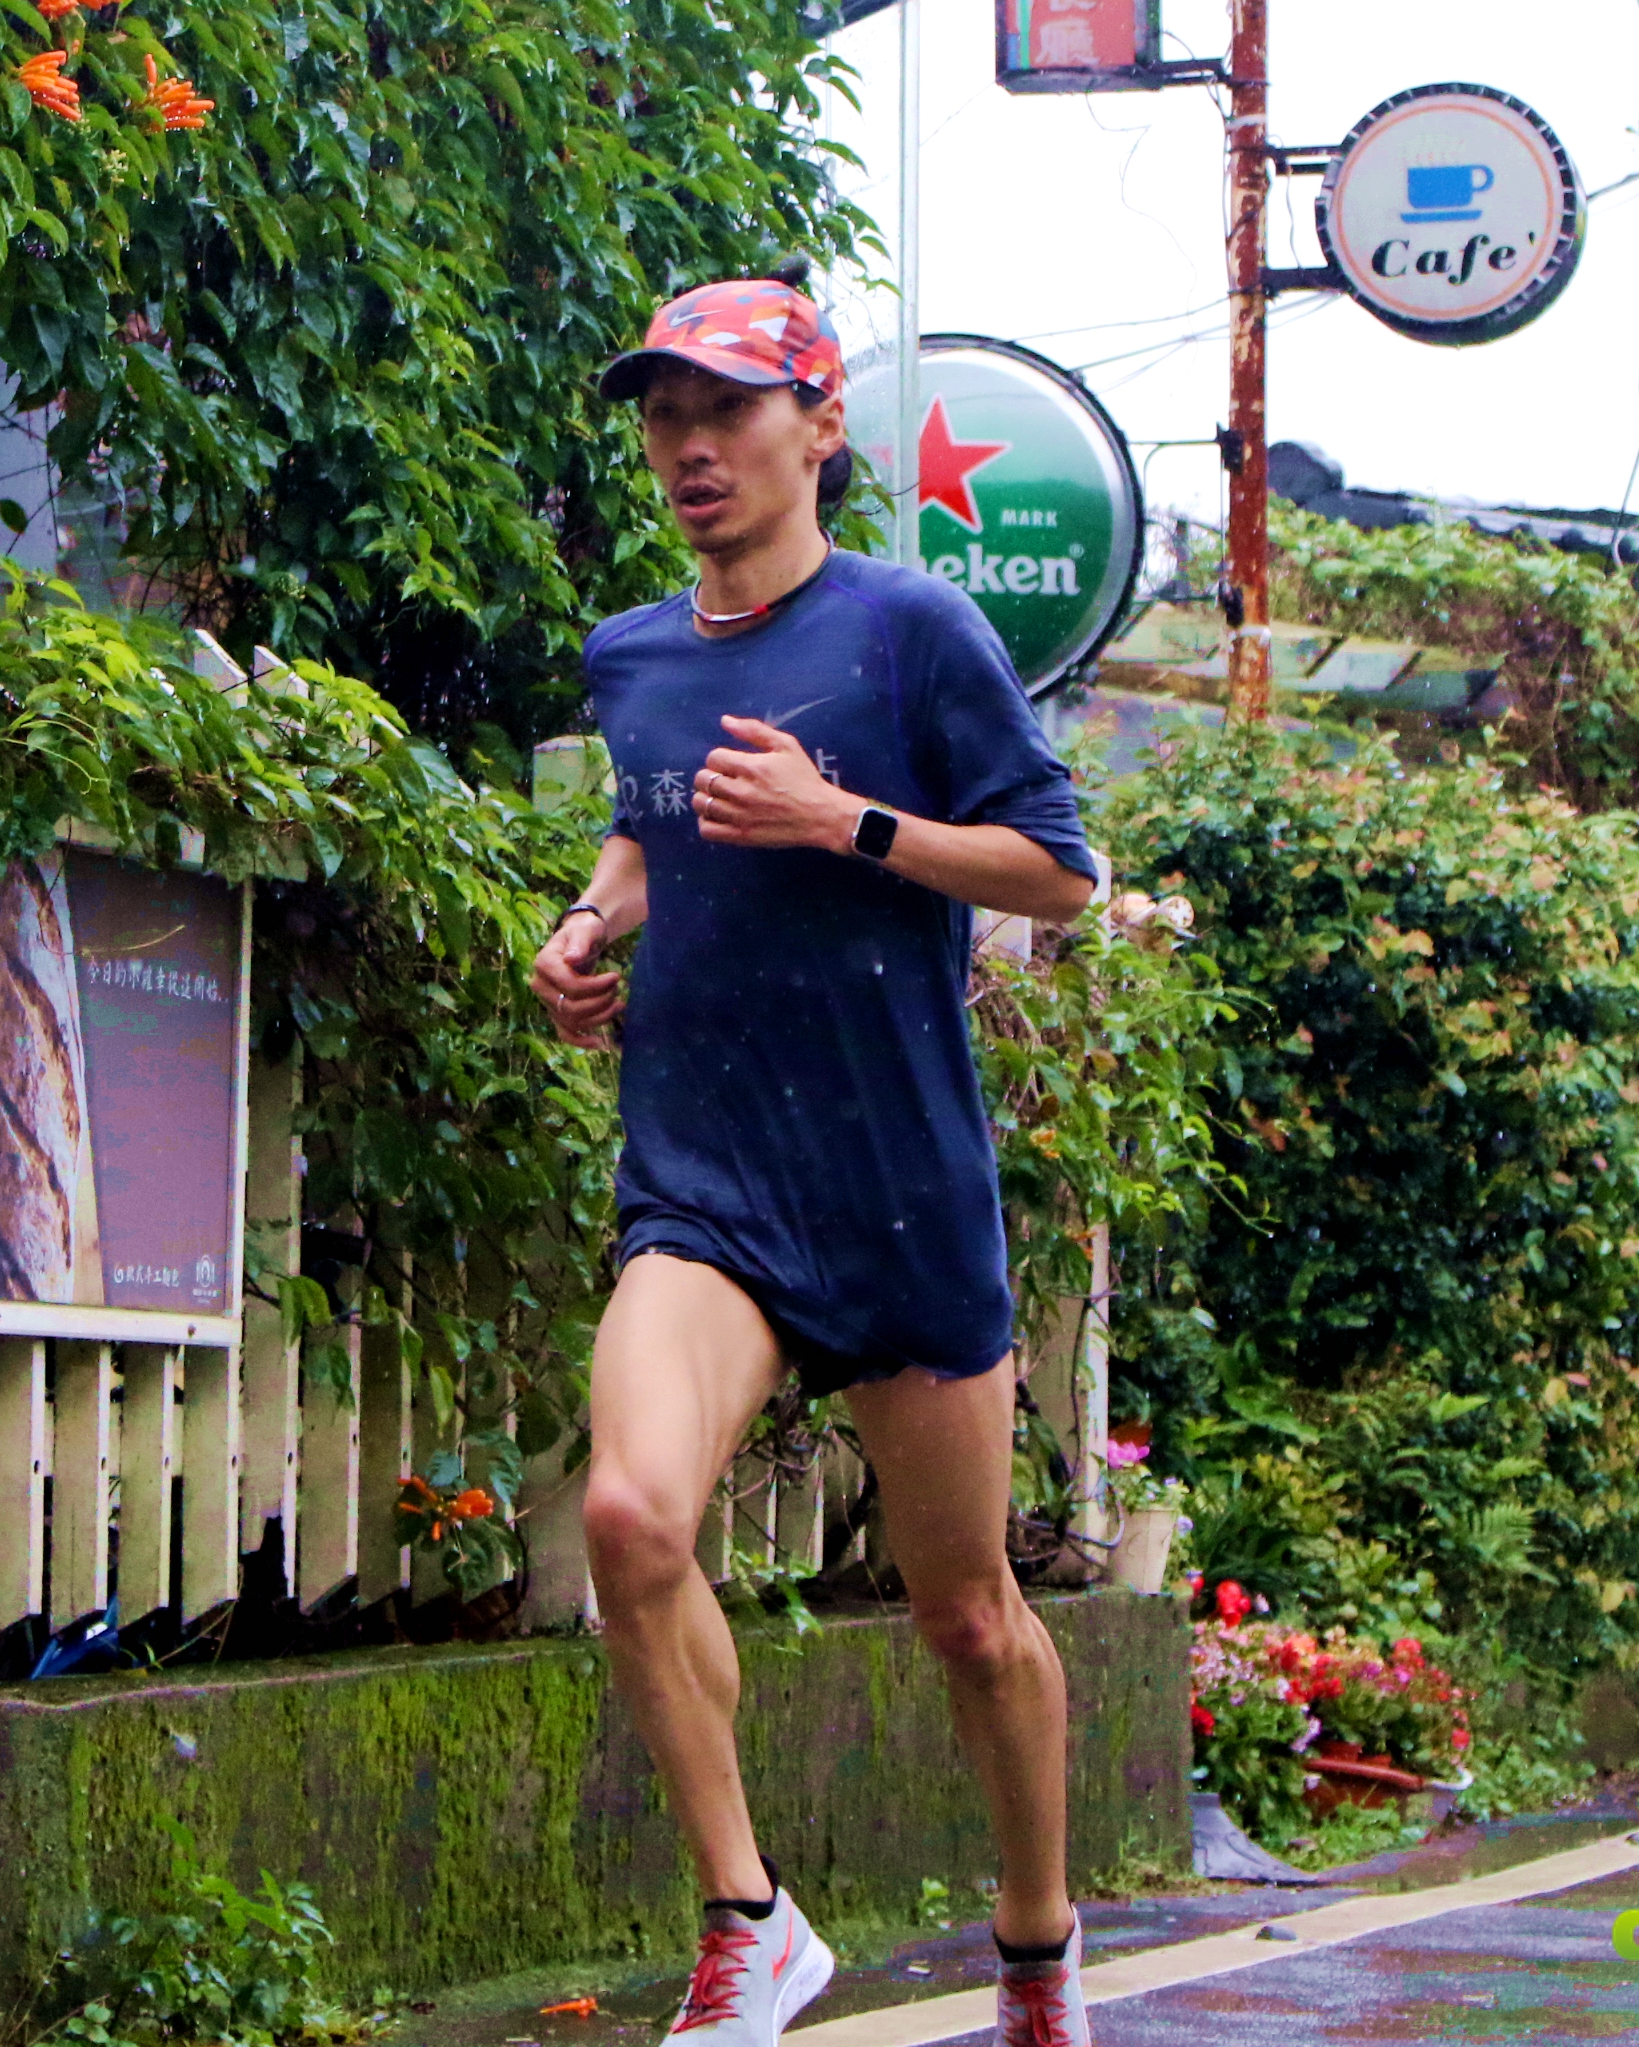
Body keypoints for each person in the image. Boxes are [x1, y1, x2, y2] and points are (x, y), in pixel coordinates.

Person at [533, 275, 1104, 2047]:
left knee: (969, 1618)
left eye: (728, 415)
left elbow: (1058, 872)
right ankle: (749, 1919)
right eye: (664, 421)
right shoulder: (633, 654)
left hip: (897, 1186)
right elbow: (649, 834)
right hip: (706, 1179)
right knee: (629, 1514)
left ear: (818, 429)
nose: (691, 451)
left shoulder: (914, 631)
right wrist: (584, 925)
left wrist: (844, 821)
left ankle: (1035, 1949)